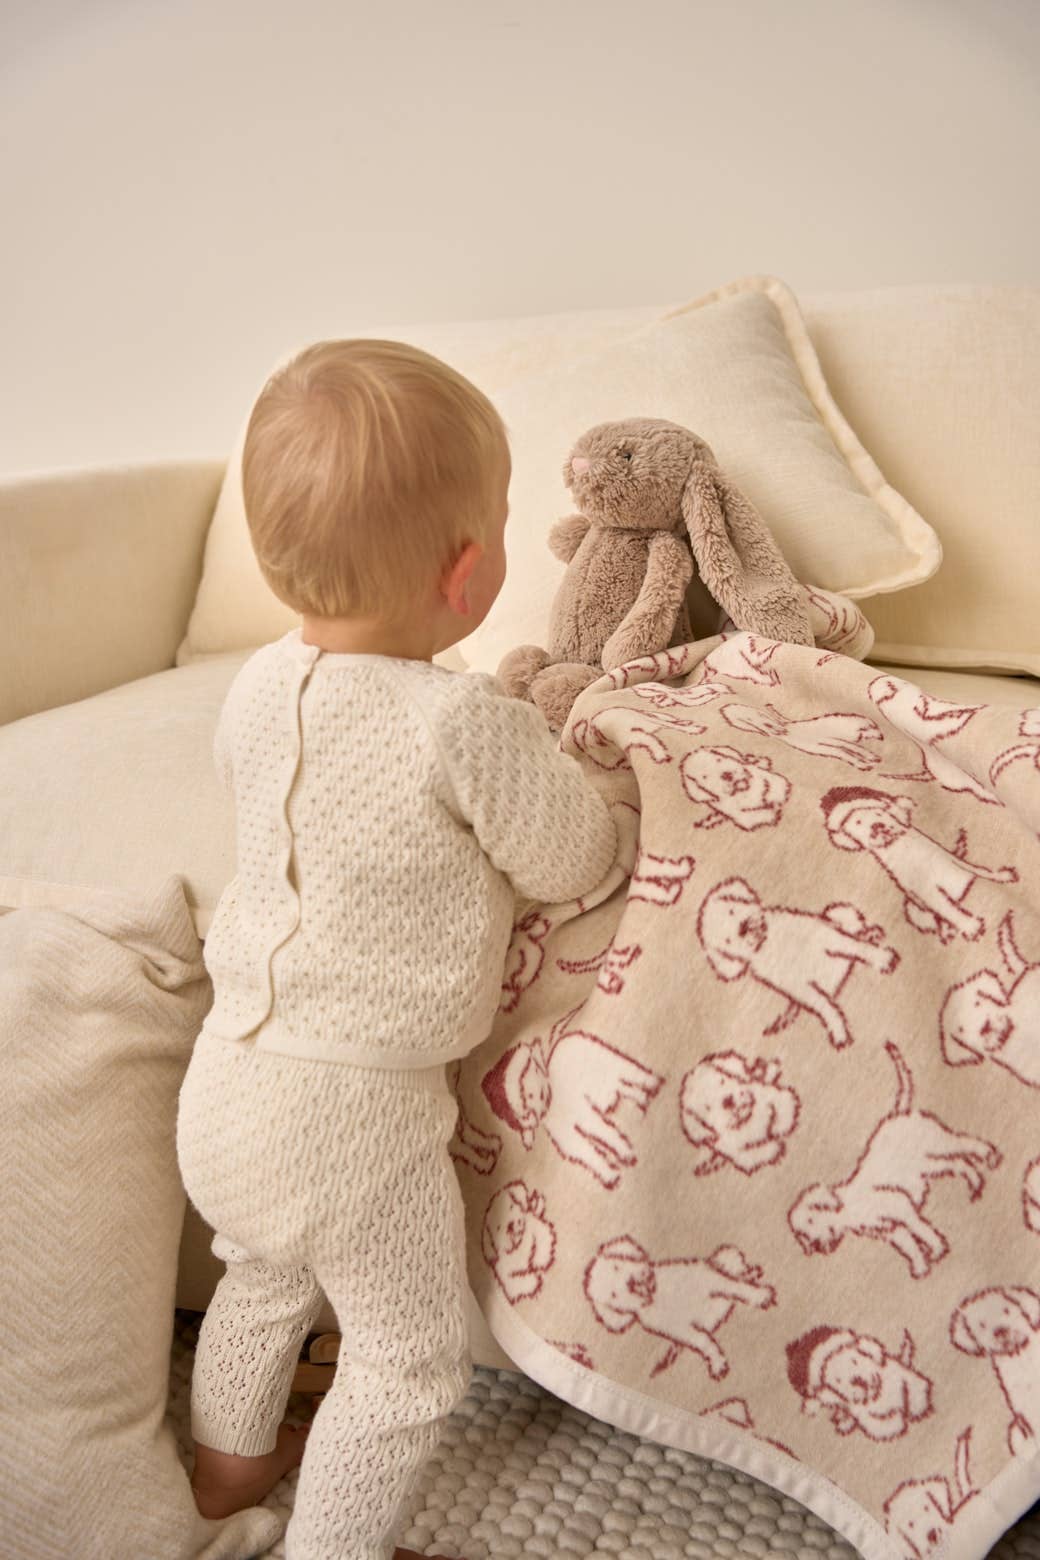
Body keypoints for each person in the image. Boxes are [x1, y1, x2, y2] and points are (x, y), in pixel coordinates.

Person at [175, 339, 618, 1559]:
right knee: (405, 1356)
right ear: (468, 572)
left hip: (225, 1082)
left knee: (260, 1277)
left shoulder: (255, 686)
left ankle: (223, 1478)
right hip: (353, 1114)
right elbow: (571, 858)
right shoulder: (460, 719)